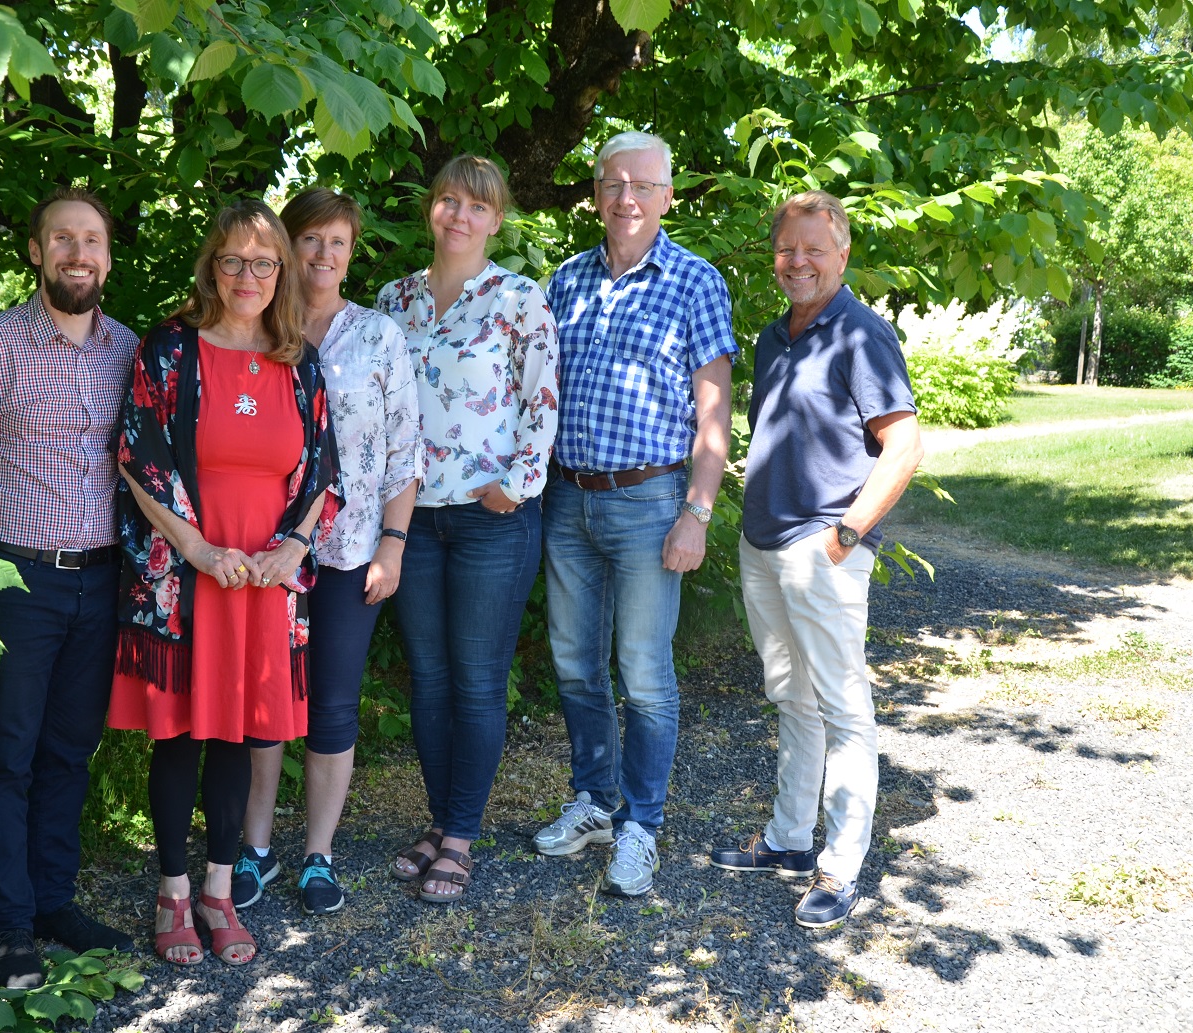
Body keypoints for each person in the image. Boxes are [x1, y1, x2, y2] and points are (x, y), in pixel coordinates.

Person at [108, 199, 341, 965]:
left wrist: (293, 547)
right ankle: (173, 893)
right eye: (234, 260)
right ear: (212, 265)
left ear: (282, 272)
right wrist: (198, 549)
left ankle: (218, 890)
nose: (249, 275)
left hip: (265, 584)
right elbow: (139, 460)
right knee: (180, 738)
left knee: (242, 736)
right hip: (189, 577)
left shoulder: (297, 357)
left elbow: (324, 472)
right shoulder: (169, 349)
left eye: (264, 262)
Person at [0, 187, 138, 989]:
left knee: (69, 752)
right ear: (37, 251)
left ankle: (54, 903)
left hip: (101, 579)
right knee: (8, 752)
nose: (78, 253)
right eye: (63, 239)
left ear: (108, 256)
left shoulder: (128, 349)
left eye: (92, 239)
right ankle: (9, 924)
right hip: (15, 580)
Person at [708, 190, 922, 928]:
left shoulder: (862, 335)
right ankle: (789, 840)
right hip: (763, 543)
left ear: (842, 254)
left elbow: (904, 446)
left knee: (842, 705)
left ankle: (840, 864)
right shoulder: (773, 336)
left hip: (823, 548)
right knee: (790, 697)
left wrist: (848, 534)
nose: (797, 261)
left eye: (814, 249)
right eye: (786, 248)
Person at [534, 131, 737, 897]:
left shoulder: (695, 281)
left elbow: (713, 417)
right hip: (567, 497)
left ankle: (641, 825)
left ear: (667, 196)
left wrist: (698, 511)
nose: (626, 198)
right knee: (575, 663)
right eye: (613, 184)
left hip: (653, 502)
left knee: (644, 673)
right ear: (595, 194)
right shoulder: (565, 281)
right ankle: (593, 799)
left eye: (642, 185)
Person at [233, 188, 422, 916]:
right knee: (264, 702)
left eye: (337, 242)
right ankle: (254, 849)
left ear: (351, 251)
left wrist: (393, 546)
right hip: (264, 551)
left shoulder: (378, 337)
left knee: (333, 706)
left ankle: (318, 854)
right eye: (310, 239)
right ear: (288, 245)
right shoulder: (256, 327)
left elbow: (405, 452)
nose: (322, 254)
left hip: (347, 553)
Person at [376, 155, 559, 903]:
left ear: (497, 220)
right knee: (430, 678)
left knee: (478, 681)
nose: (459, 215)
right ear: (432, 209)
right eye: (448, 201)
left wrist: (512, 489)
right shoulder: (395, 300)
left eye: (476, 206)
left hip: (490, 519)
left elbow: (542, 403)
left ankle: (459, 836)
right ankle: (439, 817)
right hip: (410, 520)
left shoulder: (519, 298)